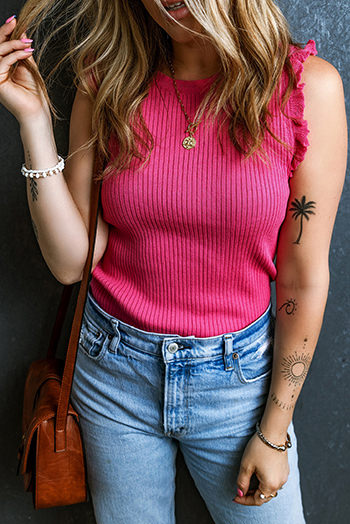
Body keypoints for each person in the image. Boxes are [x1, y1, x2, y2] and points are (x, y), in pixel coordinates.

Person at [0, 1, 347, 523]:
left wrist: (275, 432)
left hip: (239, 389)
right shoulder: (108, 78)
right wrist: (32, 122)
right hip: (113, 375)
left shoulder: (305, 89)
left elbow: (304, 275)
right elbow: (73, 263)